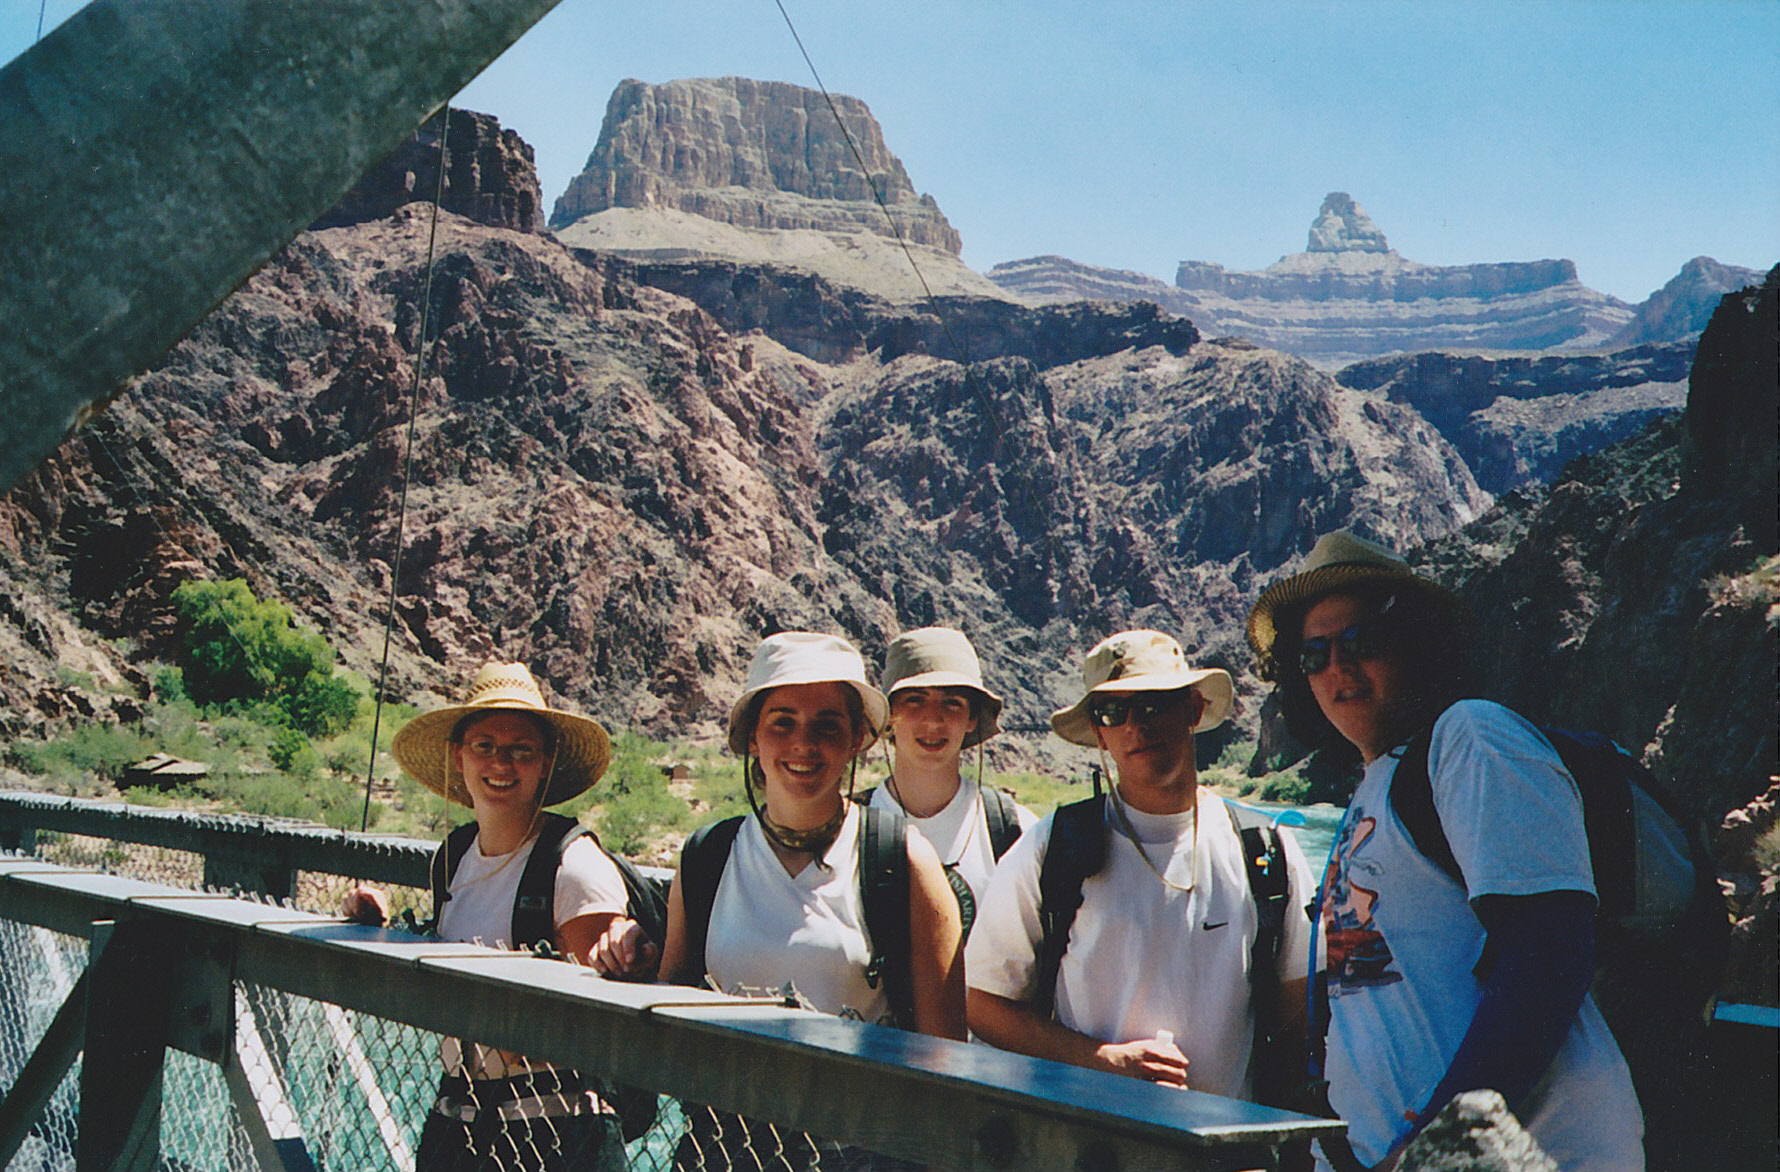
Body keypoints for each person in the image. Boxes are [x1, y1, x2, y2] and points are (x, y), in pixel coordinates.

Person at [1245, 530, 1642, 1172]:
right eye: (1314, 655)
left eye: (1360, 642)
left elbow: (1548, 955)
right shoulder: (1376, 787)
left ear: (1415, 643)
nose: (1338, 667)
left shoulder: (1472, 739)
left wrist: (1433, 1148)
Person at [596, 631, 964, 1171]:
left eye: (826, 725)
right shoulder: (708, 857)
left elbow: (946, 1055)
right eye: (782, 722)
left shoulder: (900, 859)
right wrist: (635, 960)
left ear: (857, 739)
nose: (803, 744)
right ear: (752, 739)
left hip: (858, 1150)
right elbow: (672, 1009)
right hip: (719, 1149)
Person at [965, 630, 1316, 1102]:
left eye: (1153, 704)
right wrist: (1100, 1060)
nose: (1136, 726)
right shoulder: (1051, 849)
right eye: (1114, 712)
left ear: (1192, 710)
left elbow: (1300, 1013)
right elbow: (982, 1002)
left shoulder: (1266, 852)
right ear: (1100, 734)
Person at [342, 662, 631, 1172]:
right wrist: (385, 935)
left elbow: (601, 1030)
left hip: (554, 1134)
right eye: (485, 746)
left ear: (544, 763)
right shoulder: (451, 859)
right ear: (459, 757)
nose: (502, 762)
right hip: (459, 1122)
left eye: (522, 749)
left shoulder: (575, 867)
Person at [869, 627, 1036, 920]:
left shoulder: (1015, 830)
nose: (933, 719)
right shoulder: (850, 827)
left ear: (972, 718)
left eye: (952, 703)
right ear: (890, 714)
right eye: (915, 700)